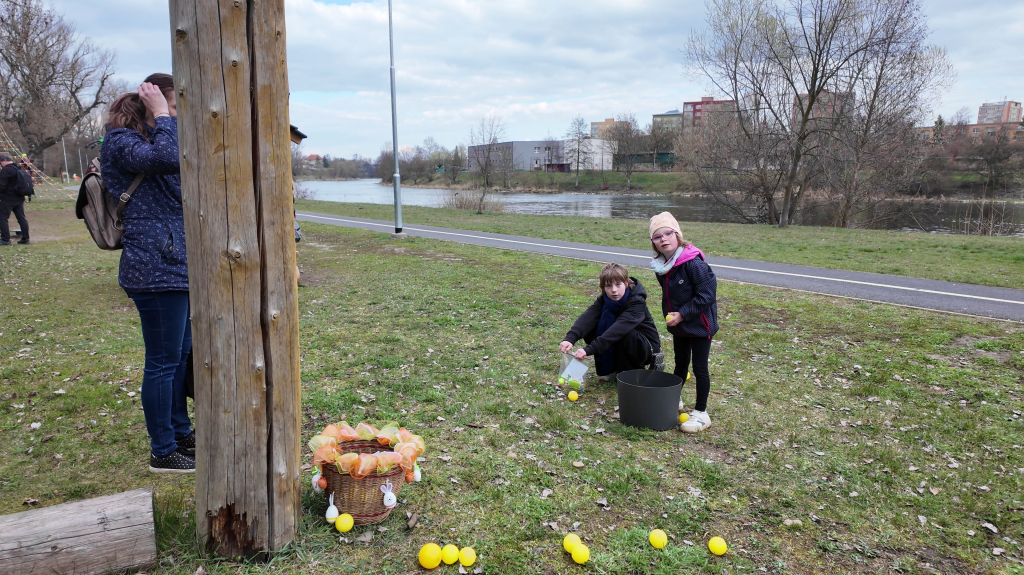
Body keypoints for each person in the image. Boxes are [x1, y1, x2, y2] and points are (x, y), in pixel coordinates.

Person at [102, 73, 195, 473]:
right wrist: (163, 114)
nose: (176, 116)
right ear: (151, 106)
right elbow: (165, 160)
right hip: (154, 268)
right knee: (162, 361)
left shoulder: (157, 139)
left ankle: (179, 431)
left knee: (180, 356)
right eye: (173, 107)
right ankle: (162, 449)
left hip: (175, 264)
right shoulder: (123, 142)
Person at [649, 212, 718, 433]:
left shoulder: (692, 263)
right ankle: (673, 399)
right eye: (657, 237)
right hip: (680, 326)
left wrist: (683, 313)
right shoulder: (663, 266)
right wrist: (675, 318)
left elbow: (707, 295)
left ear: (677, 234)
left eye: (668, 233)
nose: (663, 239)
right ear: (654, 243)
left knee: (699, 368)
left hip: (700, 325)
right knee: (680, 364)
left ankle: (701, 413)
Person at [559, 263, 661, 382]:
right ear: (603, 288)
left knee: (625, 334)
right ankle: (611, 369)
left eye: (618, 284)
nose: (614, 290)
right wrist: (570, 338)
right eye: (608, 286)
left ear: (626, 284)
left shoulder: (636, 302)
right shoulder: (604, 300)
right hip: (621, 339)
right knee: (591, 328)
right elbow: (587, 318)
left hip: (645, 347)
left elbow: (617, 330)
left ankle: (629, 373)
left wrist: (589, 349)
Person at [0, 154, 31, 246]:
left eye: (0, 162)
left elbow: (2, 185)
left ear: (4, 160)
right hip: (19, 197)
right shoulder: (18, 167)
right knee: (21, 218)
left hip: (8, 198)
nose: (0, 165)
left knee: (2, 218)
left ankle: (5, 239)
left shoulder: (6, 170)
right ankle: (25, 238)